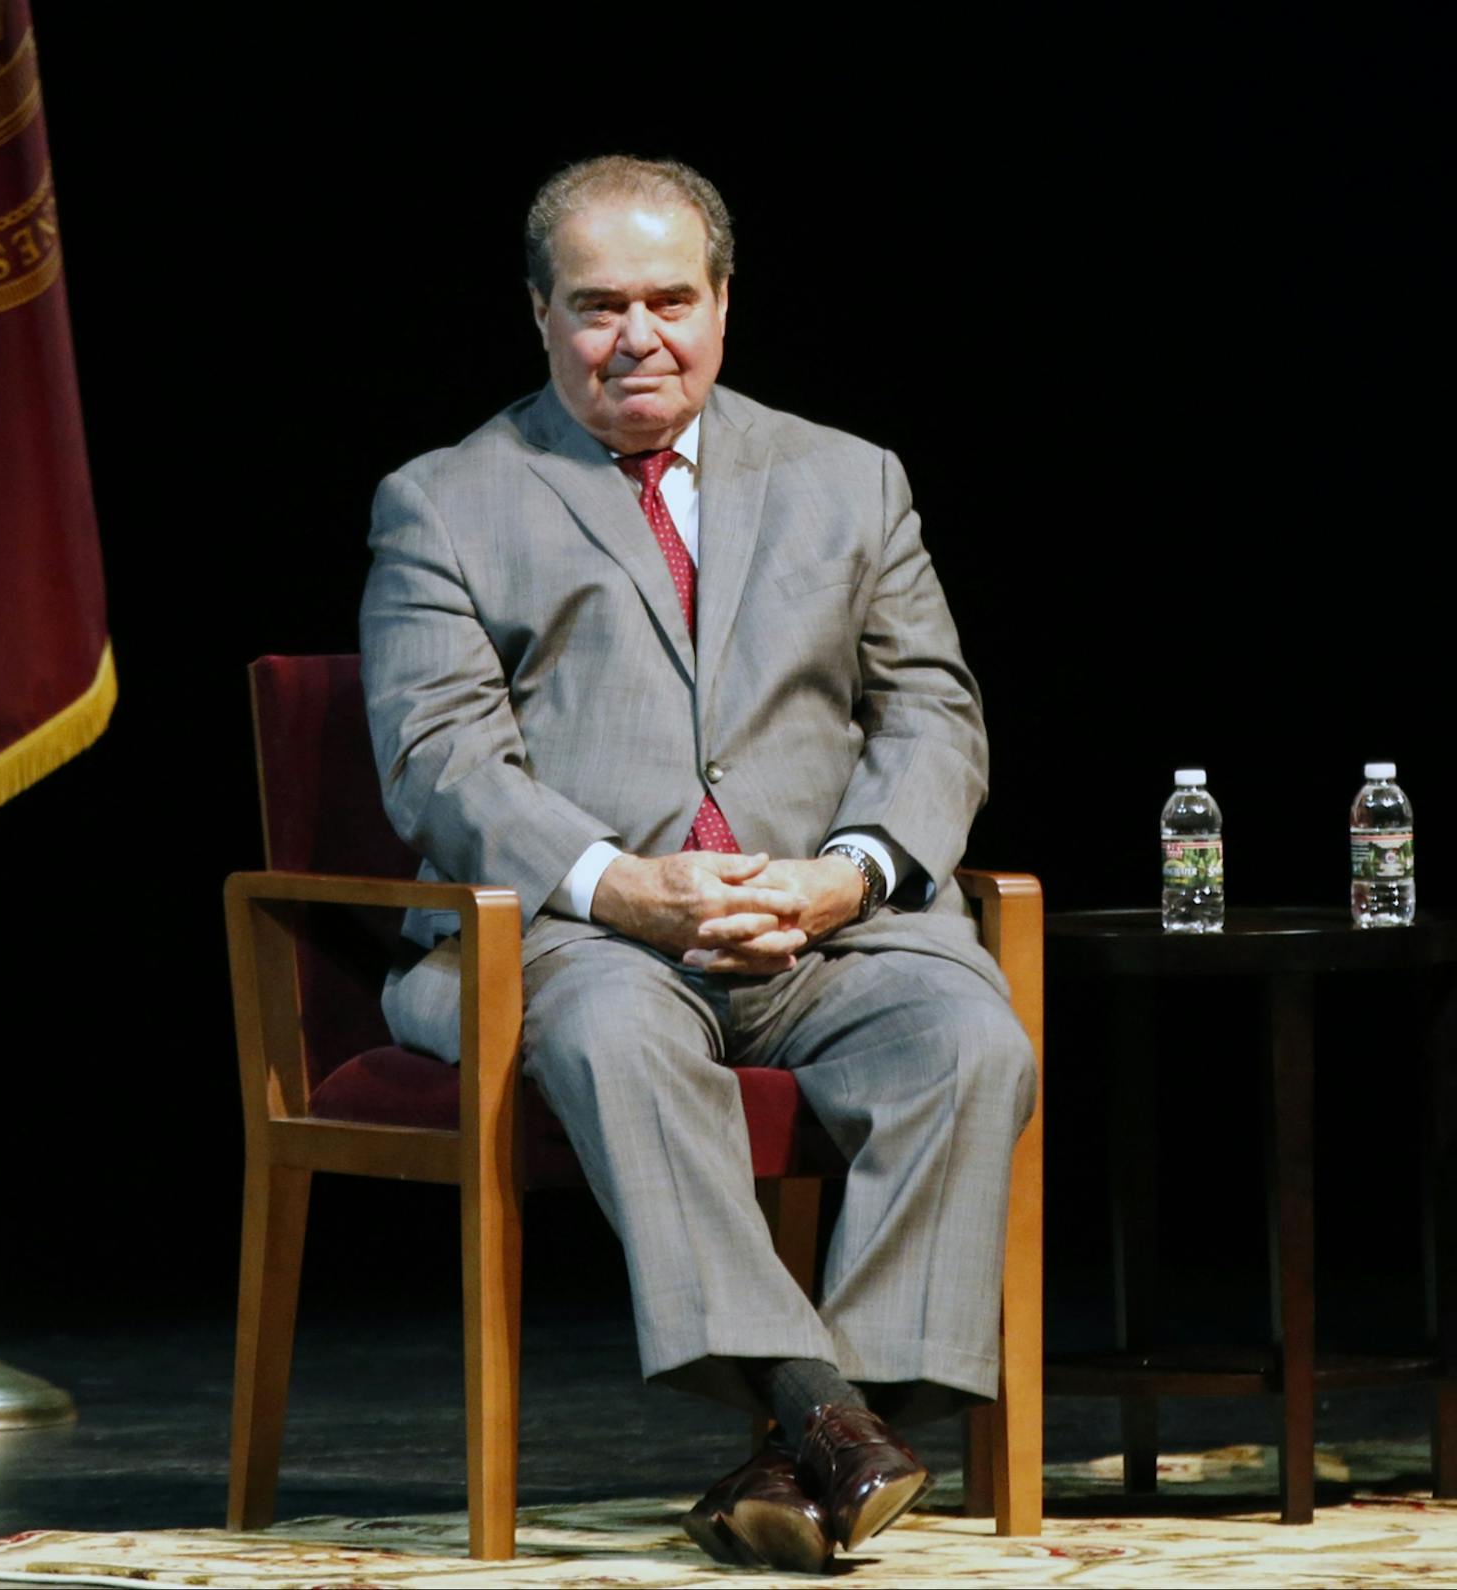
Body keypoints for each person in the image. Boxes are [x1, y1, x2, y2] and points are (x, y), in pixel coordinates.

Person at [358, 155, 1037, 1574]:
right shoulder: (445, 500)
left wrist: (848, 873)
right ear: (541, 314)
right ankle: (824, 1409)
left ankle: (812, 1452)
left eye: (672, 298)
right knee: (611, 1029)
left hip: (821, 928)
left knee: (970, 1035)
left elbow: (932, 713)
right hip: (569, 937)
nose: (639, 336)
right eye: (599, 305)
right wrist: (619, 882)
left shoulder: (853, 478)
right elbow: (438, 760)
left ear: (723, 305)